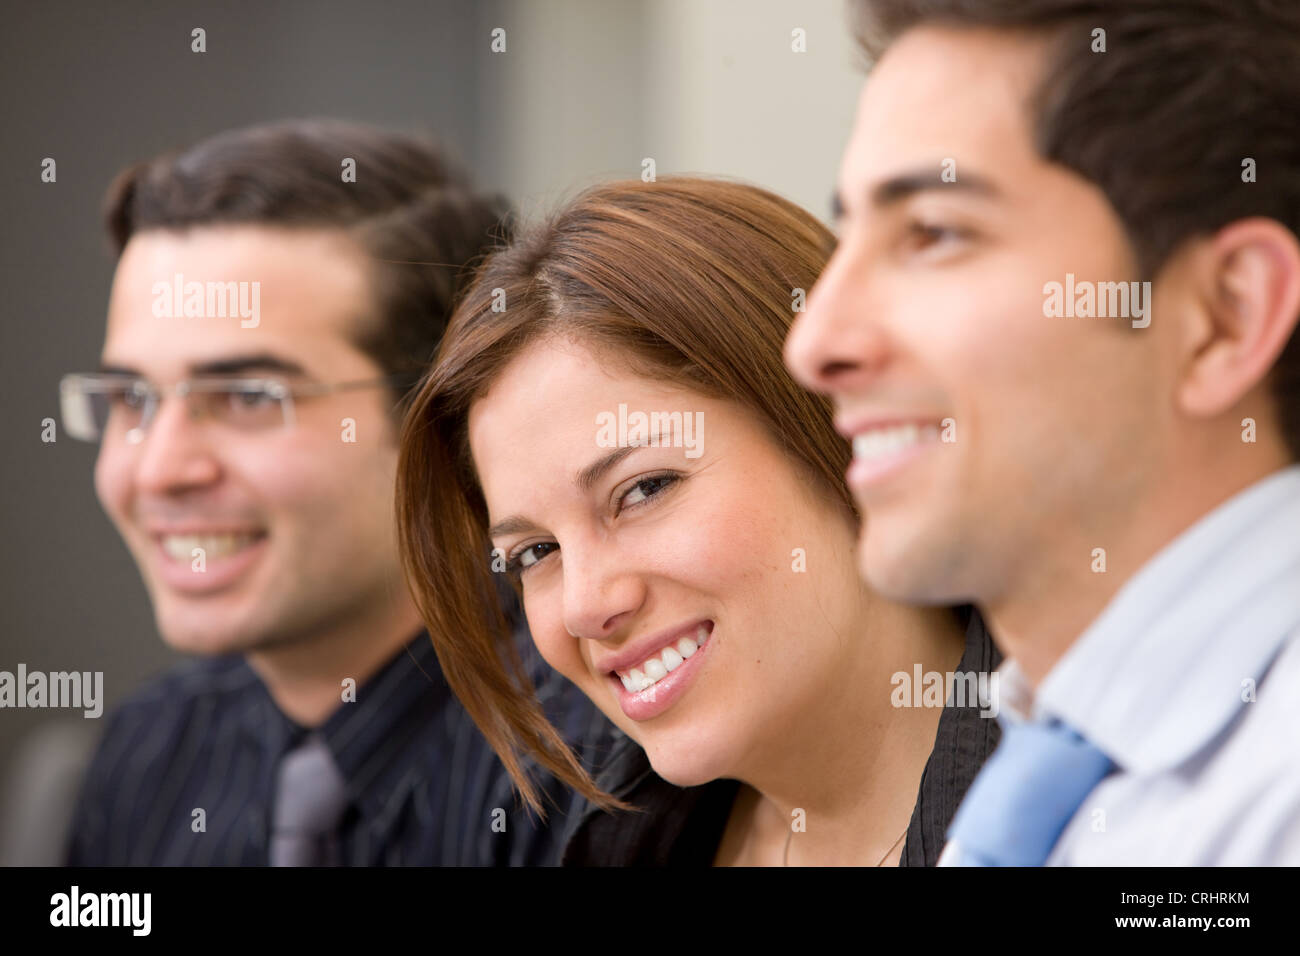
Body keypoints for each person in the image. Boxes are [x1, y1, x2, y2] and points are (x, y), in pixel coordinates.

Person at [784, 0, 1300, 864]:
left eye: (935, 235)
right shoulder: (1042, 774)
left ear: (1224, 316)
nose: (814, 345)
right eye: (846, 239)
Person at [394, 177, 1001, 866]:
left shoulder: (1108, 819)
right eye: (535, 553)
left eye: (644, 489)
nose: (587, 604)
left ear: (839, 429)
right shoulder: (613, 846)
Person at [61, 119, 613, 866]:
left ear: (440, 418)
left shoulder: (594, 768)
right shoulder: (147, 754)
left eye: (248, 398)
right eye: (132, 399)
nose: (158, 470)